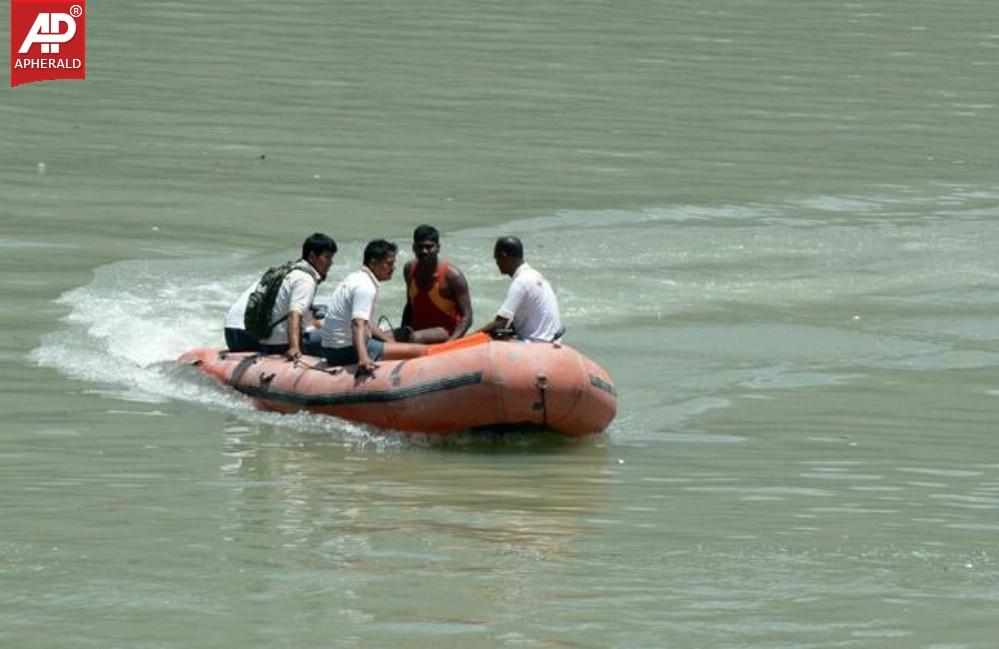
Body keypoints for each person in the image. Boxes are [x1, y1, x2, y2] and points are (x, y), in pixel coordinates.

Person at [223, 232, 337, 361]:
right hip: (252, 338)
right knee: (336, 337)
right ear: (312, 256)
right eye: (327, 258)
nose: (331, 263)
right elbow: (295, 314)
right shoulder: (305, 279)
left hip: (233, 335)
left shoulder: (286, 272)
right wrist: (295, 348)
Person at [320, 239, 426, 374]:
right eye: (389, 263)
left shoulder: (356, 277)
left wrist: (390, 342)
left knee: (397, 341)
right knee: (419, 351)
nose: (393, 268)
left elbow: (366, 322)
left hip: (331, 349)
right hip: (344, 351)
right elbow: (358, 324)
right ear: (374, 263)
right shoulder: (365, 286)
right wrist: (363, 358)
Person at [477, 236, 564, 342]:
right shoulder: (535, 275)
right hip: (551, 339)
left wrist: (471, 336)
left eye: (497, 258)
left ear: (504, 256)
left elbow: (500, 323)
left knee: (491, 340)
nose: (497, 263)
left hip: (535, 343)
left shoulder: (521, 282)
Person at [398, 224, 473, 343]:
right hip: (417, 329)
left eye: (429, 247)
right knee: (383, 337)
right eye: (420, 247)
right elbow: (409, 306)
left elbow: (467, 317)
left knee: (415, 338)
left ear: (438, 248)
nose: (424, 251)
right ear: (413, 248)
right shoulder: (409, 269)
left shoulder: (452, 276)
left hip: (445, 331)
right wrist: (402, 330)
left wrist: (450, 344)